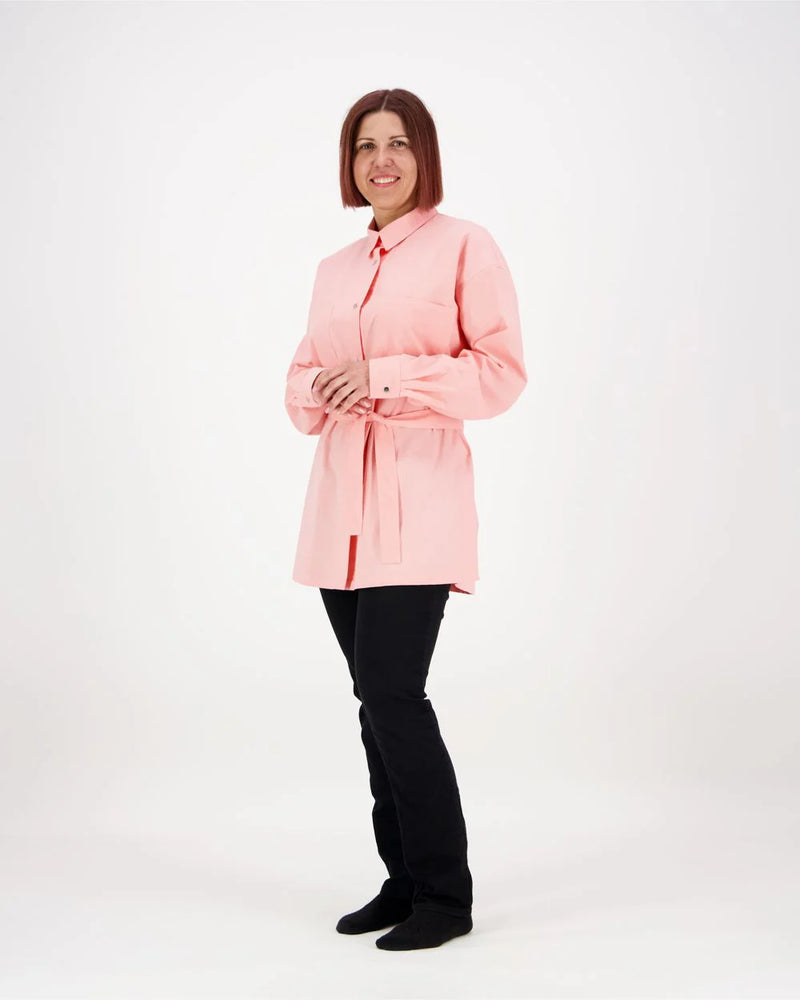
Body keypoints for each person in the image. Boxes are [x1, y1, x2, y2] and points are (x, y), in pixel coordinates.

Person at [284, 89, 527, 950]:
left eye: (397, 144)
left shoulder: (466, 246)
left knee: (394, 693)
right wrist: (324, 387)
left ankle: (446, 897)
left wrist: (386, 375)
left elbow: (500, 375)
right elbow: (298, 386)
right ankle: (403, 880)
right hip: (339, 514)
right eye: (364, 146)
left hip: (417, 506)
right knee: (373, 702)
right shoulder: (334, 269)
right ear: (348, 162)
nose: (380, 160)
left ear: (425, 153)